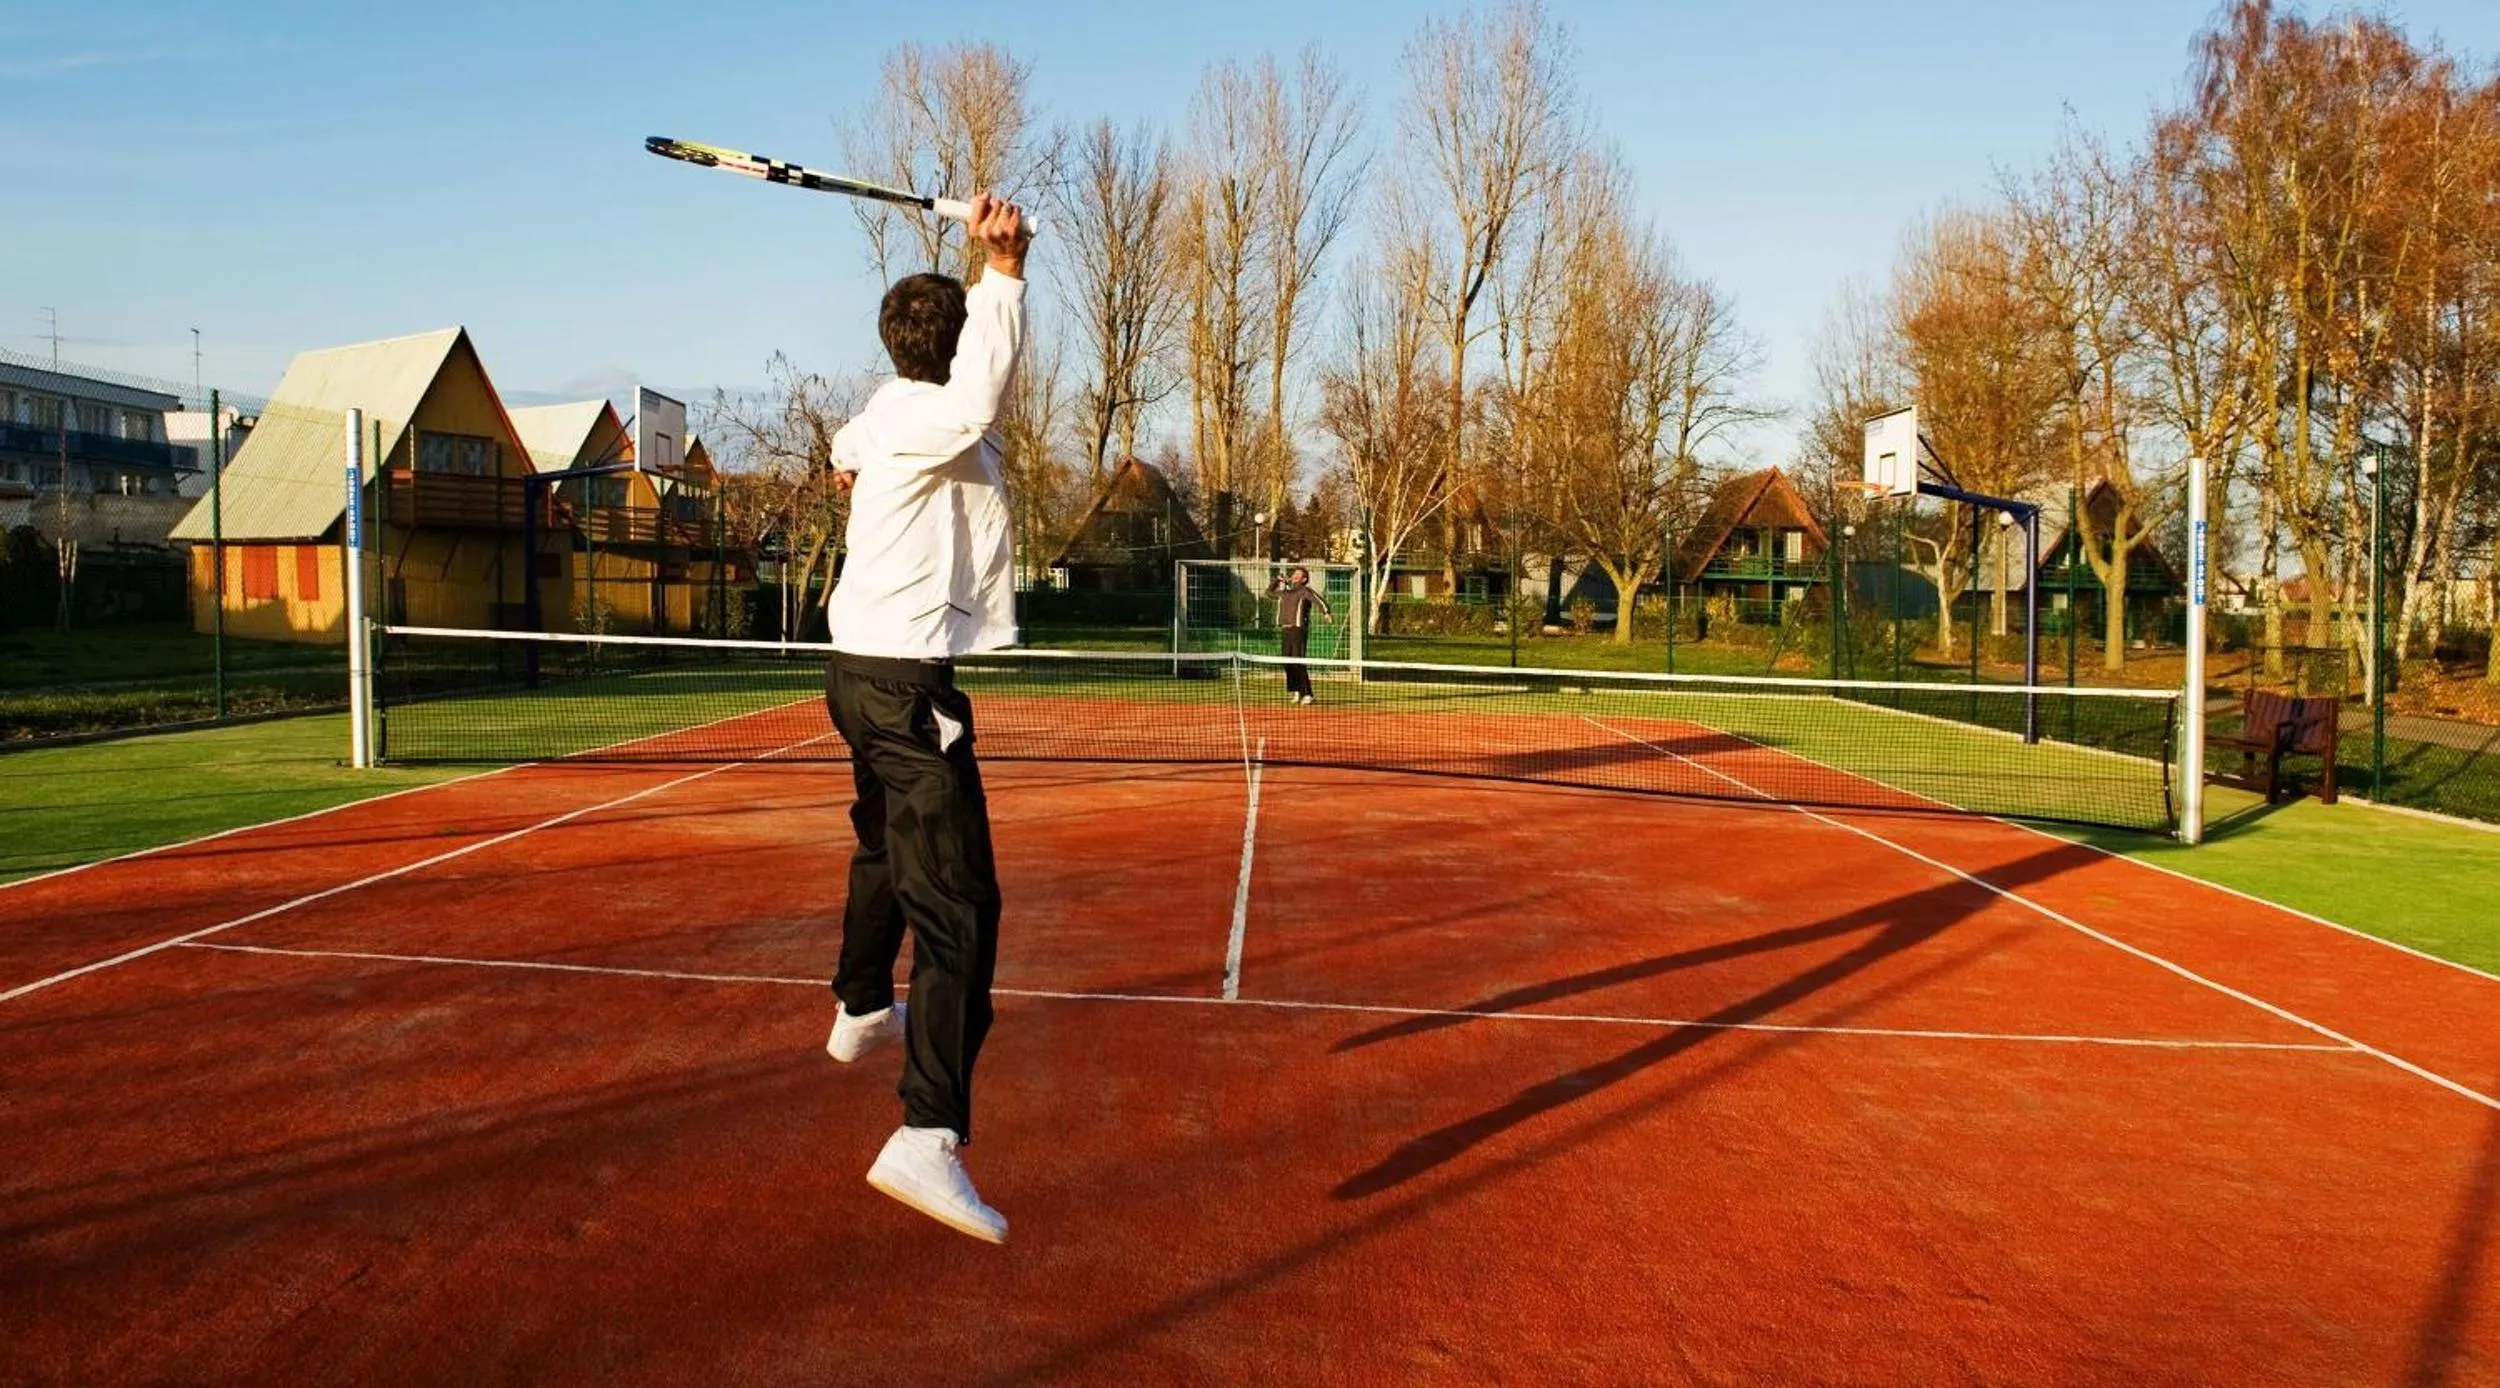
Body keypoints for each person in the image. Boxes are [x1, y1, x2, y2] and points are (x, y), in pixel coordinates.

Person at [819, 193, 1032, 1245]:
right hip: (905, 688)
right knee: (962, 913)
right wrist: (1005, 265)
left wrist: (843, 454)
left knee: (881, 847)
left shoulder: (887, 409)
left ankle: (861, 1000)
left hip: (857, 673)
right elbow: (984, 394)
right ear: (951, 349)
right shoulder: (940, 411)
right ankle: (927, 1131)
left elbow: (851, 437)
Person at [1268, 566, 1332, 705]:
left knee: (1298, 661)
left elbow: (1318, 600)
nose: (1295, 576)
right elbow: (1269, 592)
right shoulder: (1284, 592)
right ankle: (1297, 691)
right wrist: (1276, 580)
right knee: (1287, 662)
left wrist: (1326, 612)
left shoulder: (1305, 591)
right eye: (1294, 573)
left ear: (1304, 579)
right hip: (1285, 630)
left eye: (1299, 575)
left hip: (1298, 630)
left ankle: (1308, 694)